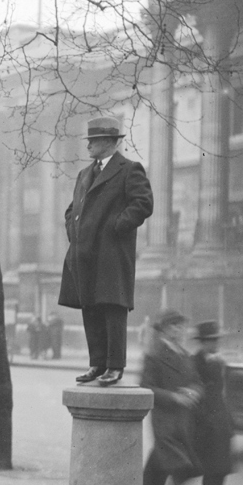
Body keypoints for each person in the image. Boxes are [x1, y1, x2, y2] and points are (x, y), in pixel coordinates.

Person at [59, 116, 154, 386]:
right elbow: (71, 209)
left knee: (113, 308)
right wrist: (73, 232)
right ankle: (97, 364)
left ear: (110, 142)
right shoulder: (84, 174)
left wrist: (116, 226)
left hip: (111, 254)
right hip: (84, 253)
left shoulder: (129, 169)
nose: (88, 145)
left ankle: (115, 366)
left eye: (94, 141)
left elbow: (143, 203)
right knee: (90, 306)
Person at [141, 309, 203, 485]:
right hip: (164, 417)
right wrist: (173, 397)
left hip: (182, 418)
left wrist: (193, 391)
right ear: (165, 329)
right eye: (176, 326)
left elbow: (196, 380)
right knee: (180, 461)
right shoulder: (155, 355)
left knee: (160, 460)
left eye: (182, 326)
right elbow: (146, 386)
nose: (181, 330)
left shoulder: (184, 354)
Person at [191, 321, 234, 485]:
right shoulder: (194, 362)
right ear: (202, 342)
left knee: (220, 467)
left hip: (221, 421)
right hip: (203, 422)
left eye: (216, 340)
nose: (215, 343)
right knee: (204, 465)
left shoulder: (219, 362)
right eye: (211, 340)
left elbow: (221, 393)